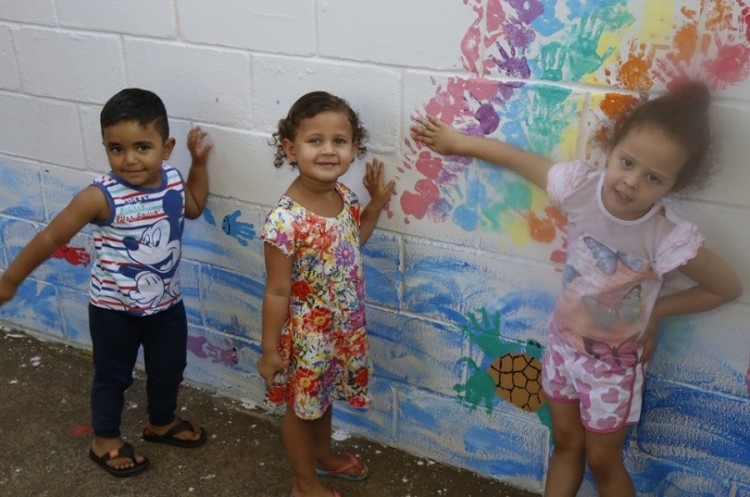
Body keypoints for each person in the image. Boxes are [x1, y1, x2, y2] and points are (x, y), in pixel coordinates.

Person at [411, 82, 742, 497]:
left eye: (653, 177)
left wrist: (655, 311)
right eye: (626, 162)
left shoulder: (665, 237)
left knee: (603, 461)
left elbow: (726, 287)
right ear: (611, 148)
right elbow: (519, 159)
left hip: (612, 369)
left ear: (672, 187)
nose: (631, 182)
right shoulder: (579, 188)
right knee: (565, 444)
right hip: (561, 348)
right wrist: (458, 142)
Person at [0, 88, 213, 477]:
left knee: (170, 368)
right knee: (113, 376)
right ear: (105, 146)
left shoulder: (172, 180)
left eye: (142, 147)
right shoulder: (100, 196)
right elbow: (51, 237)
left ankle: (161, 422)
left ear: (166, 148)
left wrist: (198, 164)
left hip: (167, 305)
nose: (129, 159)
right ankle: (105, 438)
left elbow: (195, 207)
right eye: (116, 148)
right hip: (113, 311)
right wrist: (10, 280)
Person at [258, 91, 396, 497]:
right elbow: (277, 290)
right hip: (306, 338)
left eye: (339, 141)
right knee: (301, 410)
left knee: (323, 396)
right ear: (290, 148)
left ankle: (323, 454)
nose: (328, 150)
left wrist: (375, 203)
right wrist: (269, 351)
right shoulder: (284, 221)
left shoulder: (345, 198)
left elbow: (355, 239)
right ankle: (304, 483)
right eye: (315, 140)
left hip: (341, 329)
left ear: (354, 148)